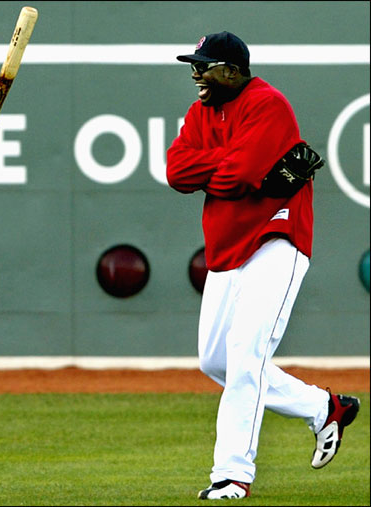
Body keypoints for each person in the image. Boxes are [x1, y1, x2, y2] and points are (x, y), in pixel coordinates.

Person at [166, 31, 360, 500]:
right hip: (228, 245)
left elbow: (237, 178)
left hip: (278, 238)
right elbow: (176, 172)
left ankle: (232, 474)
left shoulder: (268, 105)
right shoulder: (200, 112)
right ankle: (323, 408)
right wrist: (224, 161)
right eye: (194, 64)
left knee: (246, 356)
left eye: (204, 65)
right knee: (216, 361)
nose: (196, 74)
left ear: (232, 72)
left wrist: (213, 165)